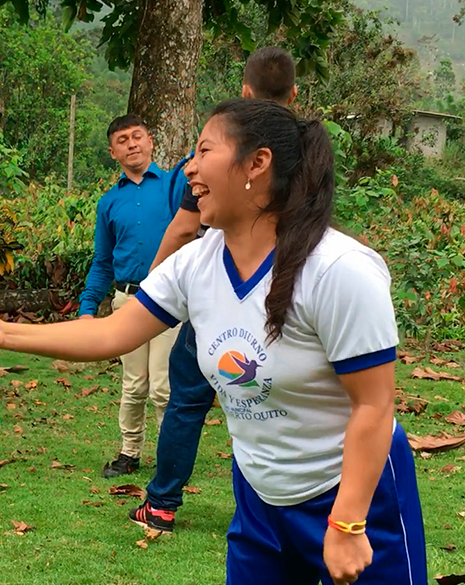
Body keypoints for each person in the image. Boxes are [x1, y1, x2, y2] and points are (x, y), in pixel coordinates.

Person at [0, 99, 426, 585]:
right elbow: (109, 332)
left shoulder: (339, 270)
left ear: (257, 163)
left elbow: (374, 406)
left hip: (354, 494)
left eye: (205, 149)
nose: (189, 167)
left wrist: (348, 522)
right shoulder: (197, 263)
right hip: (259, 495)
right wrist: (0, 332)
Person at [132, 46, 301, 532]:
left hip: (229, 301)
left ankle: (163, 501)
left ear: (244, 93)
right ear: (294, 94)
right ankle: (276, 504)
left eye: (203, 152)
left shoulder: (226, 158)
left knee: (187, 401)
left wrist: (155, 290)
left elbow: (185, 229)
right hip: (289, 298)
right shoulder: (308, 155)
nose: (193, 166)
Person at [79, 114, 183, 479]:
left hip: (169, 298)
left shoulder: (174, 186)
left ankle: (171, 458)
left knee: (162, 385)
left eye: (137, 136)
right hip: (128, 300)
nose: (132, 144)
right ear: (113, 152)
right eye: (122, 140)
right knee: (134, 382)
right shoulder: (109, 202)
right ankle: (129, 452)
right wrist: (87, 308)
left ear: (151, 141)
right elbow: (103, 261)